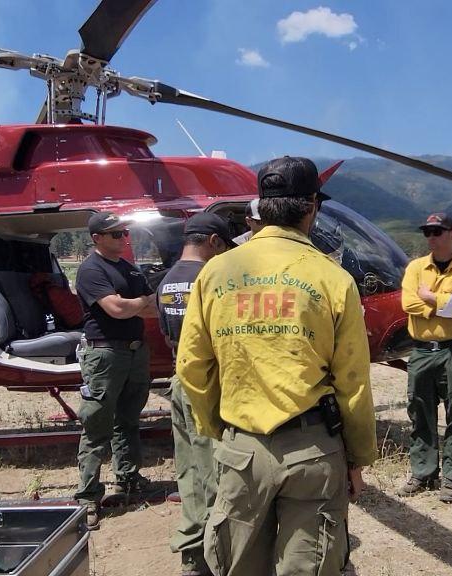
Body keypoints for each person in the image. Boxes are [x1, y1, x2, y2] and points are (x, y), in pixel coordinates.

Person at [176, 156, 377, 576]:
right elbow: (353, 382)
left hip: (241, 448)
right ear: (311, 208)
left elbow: (192, 366)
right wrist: (357, 458)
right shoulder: (333, 278)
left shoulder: (215, 273)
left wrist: (221, 431)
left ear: (261, 206)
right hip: (314, 451)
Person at [158, 213, 236, 576]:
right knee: (215, 471)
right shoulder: (210, 279)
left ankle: (191, 550)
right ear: (214, 242)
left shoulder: (166, 280)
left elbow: (168, 334)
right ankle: (213, 555)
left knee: (188, 468)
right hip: (207, 382)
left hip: (178, 378)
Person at [73, 211, 158, 528]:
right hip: (105, 353)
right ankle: (88, 497)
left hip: (135, 352)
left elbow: (150, 309)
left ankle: (128, 478)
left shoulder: (129, 269)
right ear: (96, 239)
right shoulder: (91, 270)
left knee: (129, 419)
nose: (123, 238)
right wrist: (138, 301)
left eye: (123, 232)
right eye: (114, 234)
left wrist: (134, 302)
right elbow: (117, 309)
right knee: (97, 425)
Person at [398, 212, 452, 503]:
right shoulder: (415, 267)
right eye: (428, 232)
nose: (431, 237)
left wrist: (430, 297)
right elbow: (408, 302)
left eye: (437, 231)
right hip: (421, 350)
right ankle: (423, 472)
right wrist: (447, 302)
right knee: (420, 411)